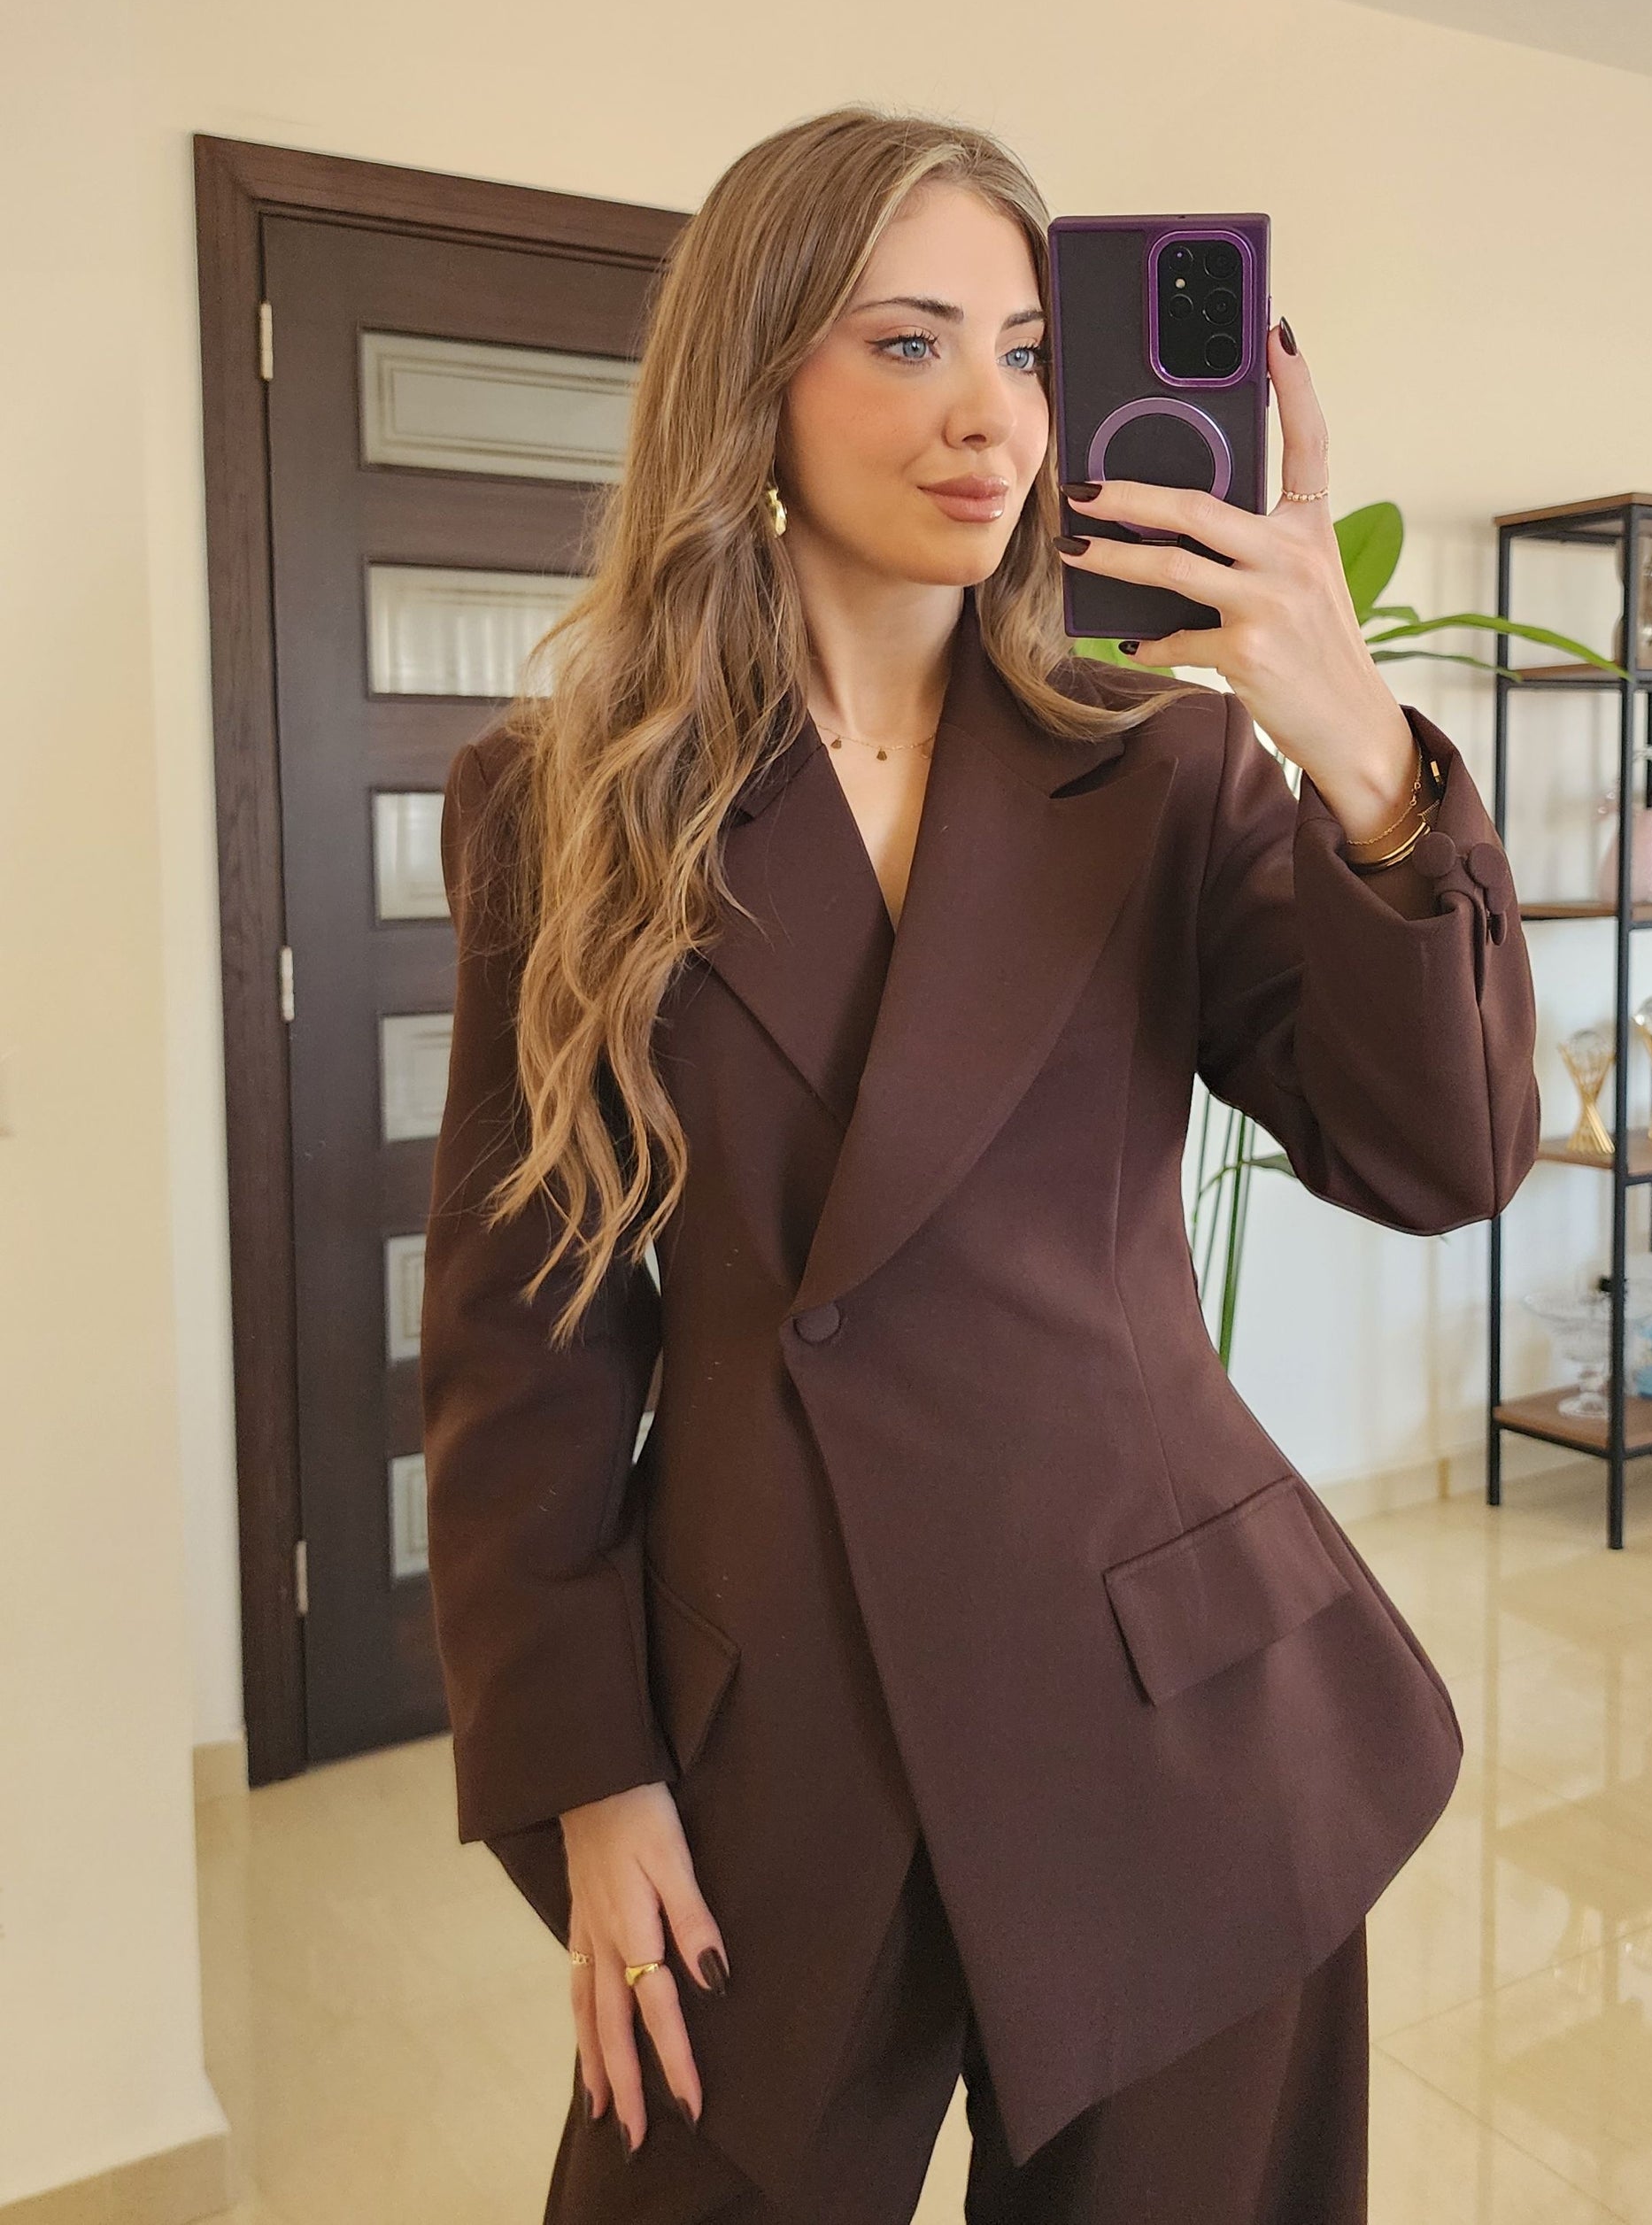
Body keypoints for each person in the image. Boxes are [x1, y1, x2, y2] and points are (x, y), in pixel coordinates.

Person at [419, 107, 1540, 2225]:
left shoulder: (1162, 764)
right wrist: (588, 1772)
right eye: (907, 340)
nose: (990, 418)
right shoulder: (570, 800)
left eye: (1028, 352)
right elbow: (524, 1335)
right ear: (757, 372)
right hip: (774, 1728)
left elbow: (1445, 1152)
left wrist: (1361, 753)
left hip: (1170, 1714)